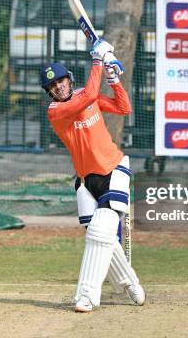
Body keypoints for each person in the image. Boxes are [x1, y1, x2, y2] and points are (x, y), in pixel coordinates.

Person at [40, 39, 145, 313]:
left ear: (68, 79)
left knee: (100, 232)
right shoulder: (55, 111)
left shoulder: (88, 95)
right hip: (87, 181)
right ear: (49, 93)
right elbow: (87, 97)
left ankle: (87, 296)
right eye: (52, 87)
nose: (58, 87)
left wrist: (114, 80)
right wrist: (98, 60)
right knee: (104, 238)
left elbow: (124, 109)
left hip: (114, 170)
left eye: (60, 81)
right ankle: (129, 281)